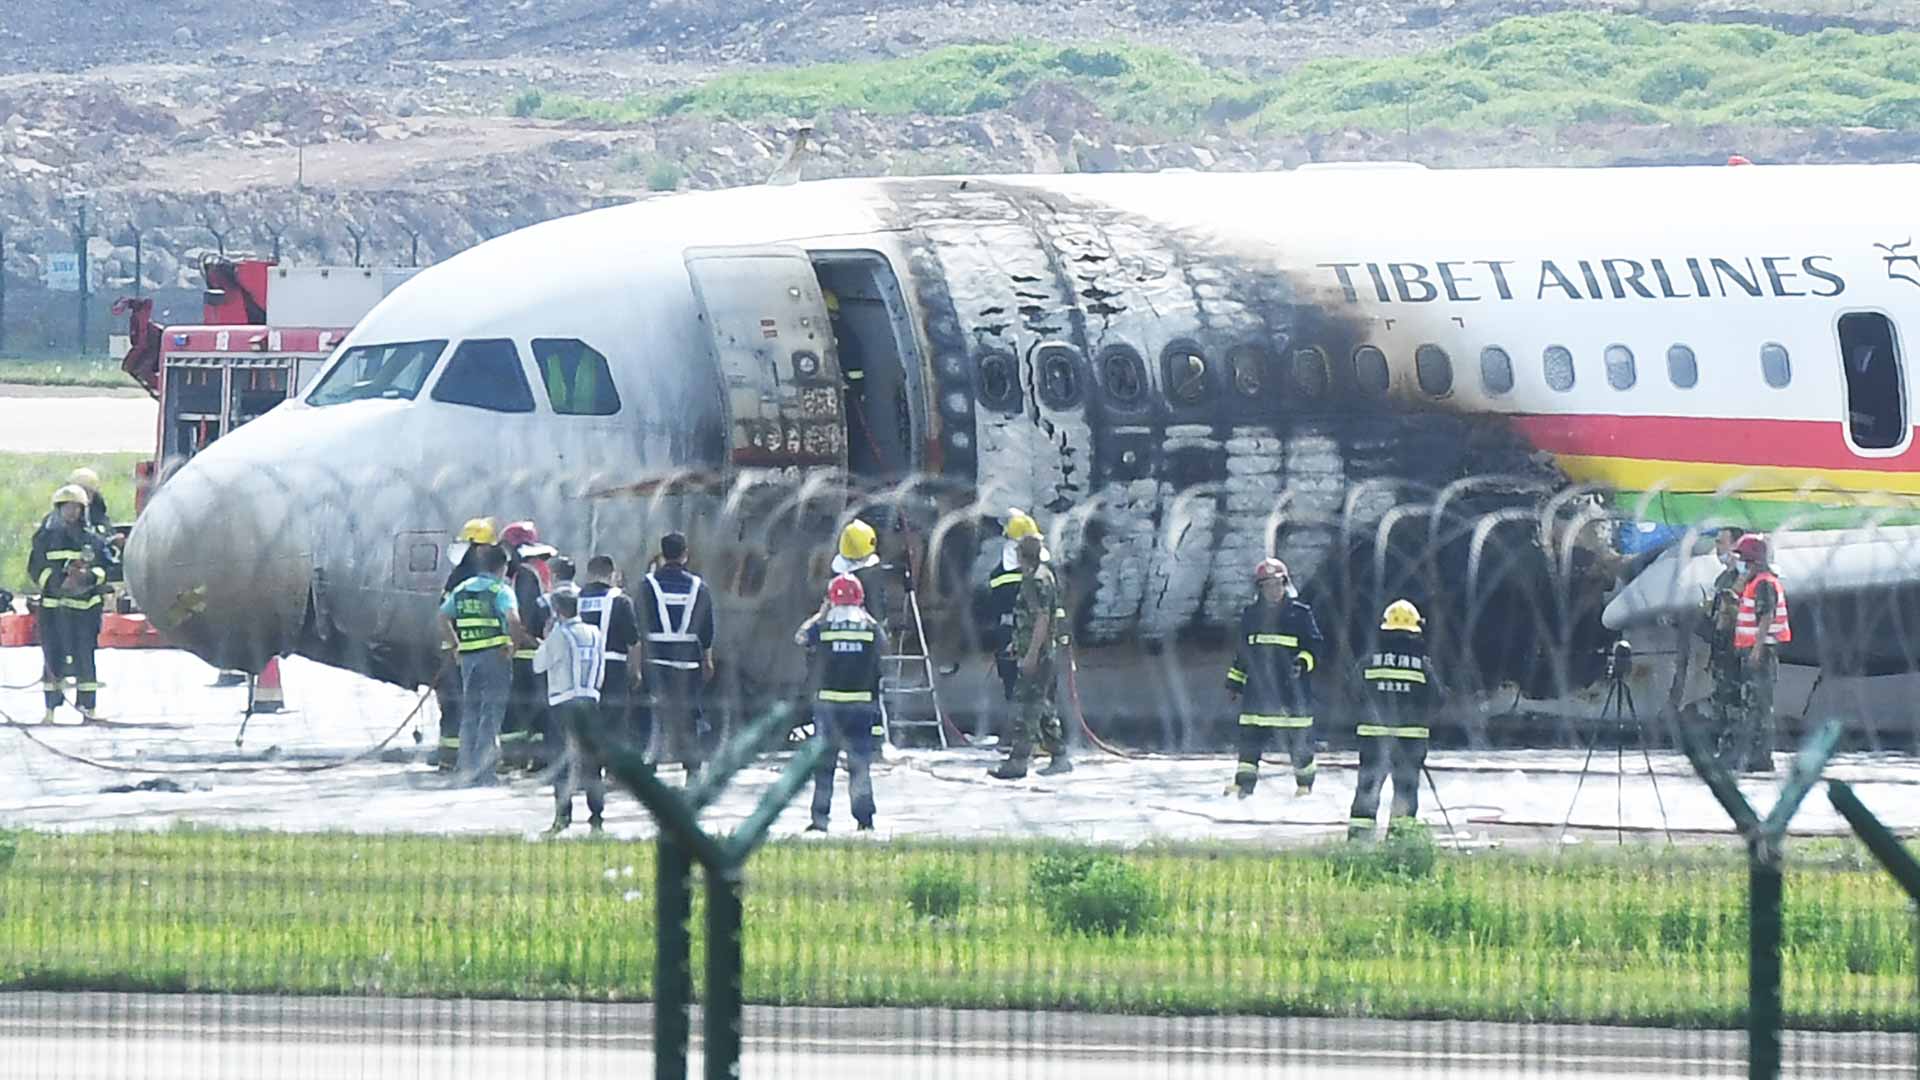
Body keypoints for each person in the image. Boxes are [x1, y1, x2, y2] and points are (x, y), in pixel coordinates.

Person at [1223, 558, 1323, 797]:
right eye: (1268, 585)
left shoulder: (1300, 614)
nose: (1273, 590)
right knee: (1249, 743)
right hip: (1257, 692)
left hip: (1291, 691)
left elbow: (1315, 646)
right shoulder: (1251, 615)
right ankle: (1243, 785)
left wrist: (1302, 663)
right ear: (1260, 588)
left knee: (1298, 743)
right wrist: (1234, 683)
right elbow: (1243, 653)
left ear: (1285, 584)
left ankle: (1304, 786)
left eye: (1277, 584)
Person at [794, 573, 887, 833]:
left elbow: (800, 637)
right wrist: (868, 615)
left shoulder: (823, 628)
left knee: (824, 767)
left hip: (828, 708)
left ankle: (820, 820)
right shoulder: (869, 628)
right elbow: (884, 645)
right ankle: (864, 820)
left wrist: (821, 613)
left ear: (831, 599)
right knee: (859, 767)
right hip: (861, 708)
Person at [438, 543, 529, 785]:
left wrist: (456, 645)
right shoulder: (501, 590)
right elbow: (513, 619)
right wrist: (514, 645)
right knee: (491, 713)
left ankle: (464, 768)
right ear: (502, 567)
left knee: (470, 712)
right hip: (495, 657)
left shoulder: (462, 589)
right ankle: (484, 772)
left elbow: (443, 616)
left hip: (468, 658)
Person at [1350, 599, 1438, 841]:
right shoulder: (1422, 665)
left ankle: (1359, 841)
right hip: (1410, 742)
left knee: (1367, 788)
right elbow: (1438, 698)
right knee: (1405, 792)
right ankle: (1400, 842)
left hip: (1373, 739)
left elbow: (1353, 691)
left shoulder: (1369, 661)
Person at [989, 534, 1070, 779]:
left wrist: (1031, 654)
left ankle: (1018, 762)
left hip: (1038, 655)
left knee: (1025, 707)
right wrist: (1018, 645)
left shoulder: (1036, 580)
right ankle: (1059, 755)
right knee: (1041, 706)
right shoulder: (1042, 575)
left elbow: (1042, 618)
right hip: (1036, 651)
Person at [636, 532, 715, 778]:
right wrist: (708, 660)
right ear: (685, 554)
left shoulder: (647, 585)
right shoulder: (698, 586)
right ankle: (692, 768)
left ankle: (649, 765)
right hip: (688, 662)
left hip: (656, 660)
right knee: (689, 715)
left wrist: (637, 665)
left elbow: (639, 623)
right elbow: (707, 628)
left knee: (654, 713)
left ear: (662, 554)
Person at [29, 484, 110, 722]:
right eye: (67, 507)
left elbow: (105, 567)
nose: (72, 512)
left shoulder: (92, 539)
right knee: (52, 657)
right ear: (59, 508)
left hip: (85, 610)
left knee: (85, 656)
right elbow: (35, 568)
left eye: (76, 508)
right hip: (54, 609)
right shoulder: (45, 539)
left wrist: (88, 577)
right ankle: (50, 709)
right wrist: (55, 582)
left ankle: (88, 708)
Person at [534, 587, 609, 835]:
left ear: (557, 611)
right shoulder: (594, 632)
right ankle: (597, 817)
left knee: (561, 761)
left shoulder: (559, 635)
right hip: (590, 700)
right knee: (592, 762)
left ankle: (562, 817)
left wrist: (545, 638)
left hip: (563, 703)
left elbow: (538, 665)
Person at [434, 517, 499, 769]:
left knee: (454, 705)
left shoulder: (456, 576)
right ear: (482, 548)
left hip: (456, 650)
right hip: (472, 650)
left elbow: (443, 613)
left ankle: (450, 758)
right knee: (469, 705)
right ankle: (466, 757)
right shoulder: (476, 579)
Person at [975, 510, 1046, 715]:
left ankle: (1031, 737)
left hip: (1019, 639)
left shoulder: (1002, 572)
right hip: (1018, 639)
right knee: (1023, 692)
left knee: (1025, 692)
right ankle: (1025, 737)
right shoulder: (1041, 573)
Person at [1731, 534, 1789, 774]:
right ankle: (1753, 755)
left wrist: (1756, 649)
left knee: (1760, 706)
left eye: (1744, 559)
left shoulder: (1765, 582)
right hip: (1754, 651)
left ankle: (1761, 758)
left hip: (1761, 652)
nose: (1741, 564)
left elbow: (1766, 617)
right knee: (1751, 705)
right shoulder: (1754, 581)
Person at [500, 520, 555, 770]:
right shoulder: (539, 570)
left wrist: (516, 638)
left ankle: (515, 758)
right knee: (537, 706)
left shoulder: (523, 575)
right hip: (539, 647)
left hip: (524, 649)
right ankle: (539, 758)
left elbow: (522, 613)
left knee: (515, 707)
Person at [578, 554, 644, 757]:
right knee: (614, 721)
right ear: (612, 574)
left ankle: (590, 771)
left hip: (582, 668)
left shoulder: (576, 598)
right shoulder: (620, 601)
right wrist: (636, 671)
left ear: (589, 574)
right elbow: (633, 641)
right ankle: (613, 768)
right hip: (612, 666)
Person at [1696, 527, 1746, 761]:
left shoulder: (1744, 576)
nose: (1717, 548)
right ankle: (1725, 747)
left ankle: (1735, 748)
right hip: (1721, 646)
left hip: (1737, 646)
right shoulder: (1723, 578)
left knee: (1735, 700)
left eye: (1722, 542)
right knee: (1722, 699)